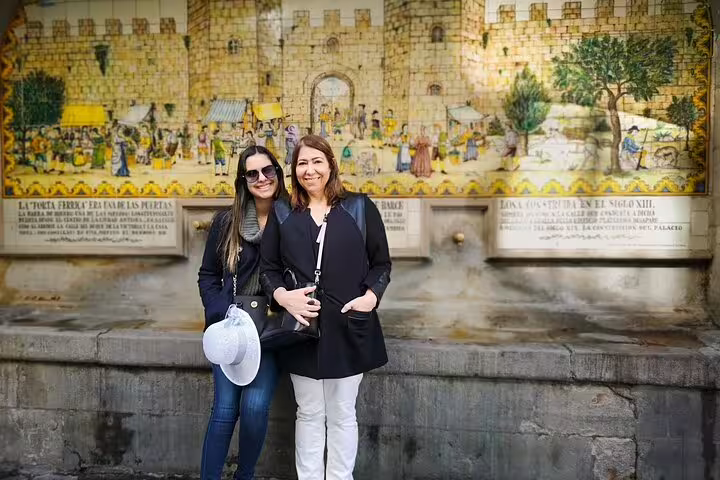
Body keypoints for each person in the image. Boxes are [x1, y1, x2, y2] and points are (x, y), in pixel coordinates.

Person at [260, 134, 391, 480]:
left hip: (349, 325)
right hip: (302, 327)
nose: (310, 170)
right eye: (302, 163)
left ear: (331, 164)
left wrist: (371, 297)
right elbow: (268, 268)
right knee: (309, 412)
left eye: (317, 161)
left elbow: (382, 264)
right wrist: (283, 297)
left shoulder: (360, 207)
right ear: (294, 170)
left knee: (343, 412)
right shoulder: (283, 211)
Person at [198, 145, 289, 480]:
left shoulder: (294, 218)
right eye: (253, 173)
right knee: (224, 410)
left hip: (271, 328)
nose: (262, 179)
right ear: (243, 180)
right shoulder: (227, 220)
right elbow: (207, 274)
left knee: (253, 407)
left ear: (278, 174)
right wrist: (220, 311)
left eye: (268, 171)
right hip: (232, 328)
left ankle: (244, 475)